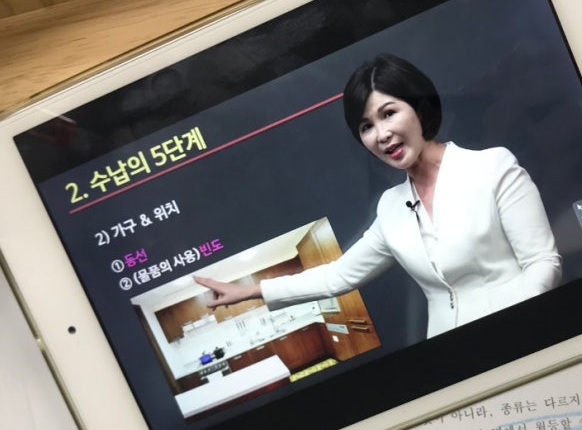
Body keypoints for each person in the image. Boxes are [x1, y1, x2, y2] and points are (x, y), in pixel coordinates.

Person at [195, 54, 562, 339]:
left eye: (389, 114)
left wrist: (519, 326)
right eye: (366, 126)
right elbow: (338, 276)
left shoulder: (491, 167)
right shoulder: (391, 207)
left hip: (525, 338)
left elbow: (543, 262)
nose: (381, 134)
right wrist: (252, 291)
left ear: (419, 109)